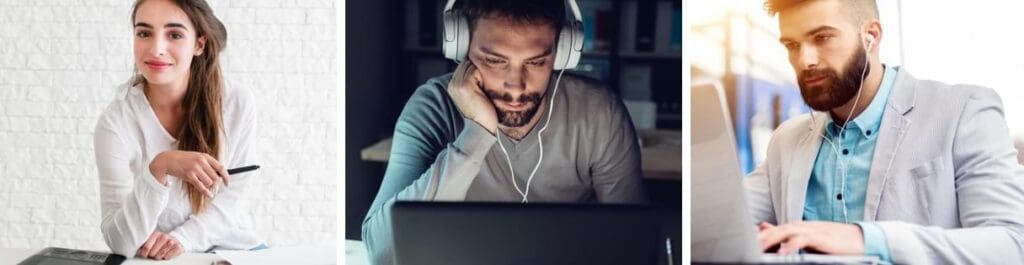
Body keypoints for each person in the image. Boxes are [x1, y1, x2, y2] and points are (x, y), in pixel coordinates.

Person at [361, 0, 647, 264]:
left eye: (536, 62)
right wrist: (476, 135)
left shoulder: (599, 112)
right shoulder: (432, 107)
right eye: (495, 61)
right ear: (461, 49)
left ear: (562, 53)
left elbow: (635, 245)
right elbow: (382, 251)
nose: (516, 85)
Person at [745, 0, 1024, 263]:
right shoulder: (786, 141)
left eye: (822, 38)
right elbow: (721, 222)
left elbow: (1012, 244)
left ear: (871, 36)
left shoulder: (964, 112)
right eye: (792, 45)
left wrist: (865, 239)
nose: (805, 60)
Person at [94, 0, 262, 260]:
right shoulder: (116, 122)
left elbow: (233, 200)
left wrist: (182, 239)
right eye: (144, 33)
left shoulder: (236, 102)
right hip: (162, 258)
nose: (156, 49)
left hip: (234, 250)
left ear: (199, 44)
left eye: (174, 34)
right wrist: (160, 167)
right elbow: (120, 240)